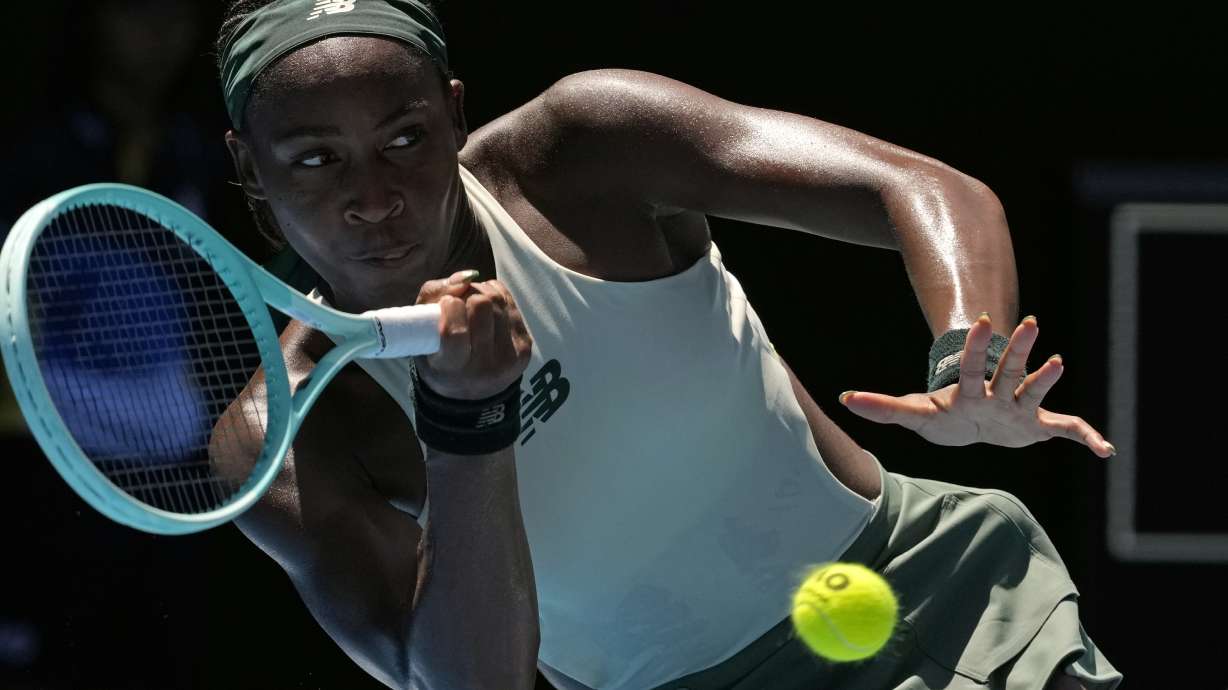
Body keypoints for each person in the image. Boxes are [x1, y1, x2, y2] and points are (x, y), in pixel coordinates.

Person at [212, 1, 1123, 688]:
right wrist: (467, 421)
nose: (374, 195)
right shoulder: (281, 437)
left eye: (405, 138)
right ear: (250, 168)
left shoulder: (582, 150)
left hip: (929, 592)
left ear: (454, 114)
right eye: (316, 158)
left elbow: (923, 189)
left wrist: (966, 350)